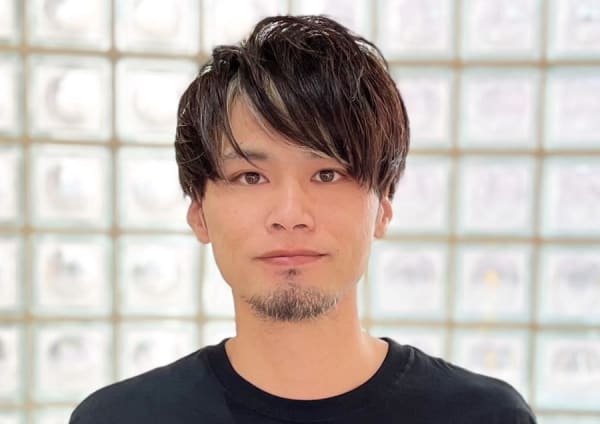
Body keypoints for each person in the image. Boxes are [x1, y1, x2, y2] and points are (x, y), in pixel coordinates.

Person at [70, 15, 536, 424]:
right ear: (199, 212)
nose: (290, 216)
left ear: (383, 205)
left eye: (327, 174)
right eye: (250, 177)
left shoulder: (483, 416)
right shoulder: (120, 418)